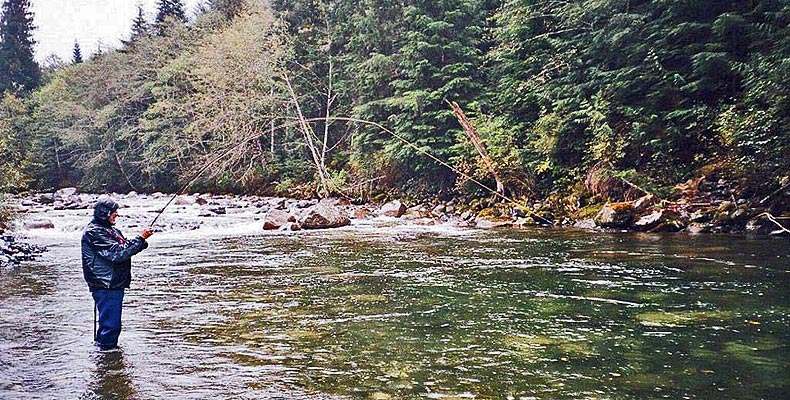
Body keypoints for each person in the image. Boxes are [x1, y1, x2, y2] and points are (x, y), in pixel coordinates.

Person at [81, 196, 153, 350]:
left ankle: (103, 357)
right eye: (114, 211)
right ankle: (107, 358)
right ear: (104, 213)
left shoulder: (111, 230)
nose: (117, 214)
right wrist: (141, 238)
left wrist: (140, 242)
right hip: (105, 284)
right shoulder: (93, 232)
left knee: (110, 325)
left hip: (113, 283)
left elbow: (125, 247)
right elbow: (118, 254)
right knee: (111, 326)